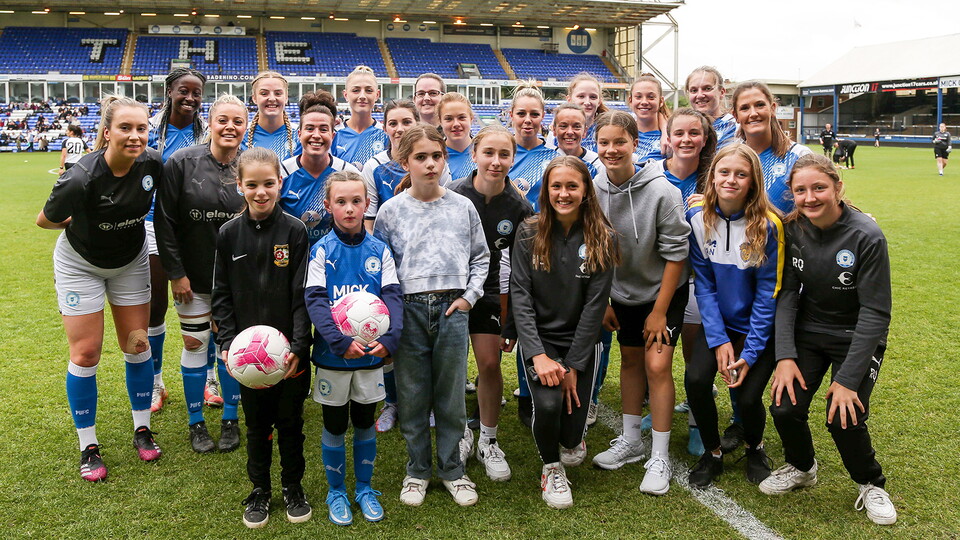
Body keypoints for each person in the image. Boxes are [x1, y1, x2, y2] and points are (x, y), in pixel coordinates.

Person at [761, 154, 897, 526]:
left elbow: (875, 313)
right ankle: (802, 467)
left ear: (838, 188)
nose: (810, 197)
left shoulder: (866, 236)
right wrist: (785, 356)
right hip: (810, 331)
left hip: (856, 334)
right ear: (791, 193)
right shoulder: (794, 229)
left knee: (843, 415)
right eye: (800, 190)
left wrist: (847, 380)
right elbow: (787, 294)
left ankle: (871, 483)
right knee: (785, 405)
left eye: (819, 187)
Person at [37, 95, 164, 481]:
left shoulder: (153, 164)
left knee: (138, 344)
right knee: (87, 352)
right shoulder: (80, 176)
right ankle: (88, 445)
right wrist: (86, 224)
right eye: (125, 128)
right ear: (107, 132)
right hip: (80, 265)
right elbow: (44, 220)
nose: (134, 136)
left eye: (141, 128)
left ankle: (142, 428)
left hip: (129, 262)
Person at [373, 125, 489, 507]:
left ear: (445, 159)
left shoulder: (462, 206)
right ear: (404, 161)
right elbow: (385, 268)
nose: (430, 164)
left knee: (451, 395)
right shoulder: (391, 211)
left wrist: (469, 298)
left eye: (436, 156)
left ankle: (453, 469)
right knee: (412, 393)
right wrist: (393, 313)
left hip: (453, 308)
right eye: (420, 157)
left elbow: (480, 256)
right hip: (408, 312)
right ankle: (418, 469)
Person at [211, 147, 313, 528]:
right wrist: (227, 344)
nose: (260, 192)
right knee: (256, 425)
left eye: (268, 183)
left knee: (290, 422)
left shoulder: (295, 230)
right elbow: (221, 294)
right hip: (248, 358)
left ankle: (293, 486)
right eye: (251, 184)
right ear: (239, 185)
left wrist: (300, 348)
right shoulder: (227, 234)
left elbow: (303, 295)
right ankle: (259, 490)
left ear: (279, 183)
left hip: (289, 355)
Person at [592, 110, 690, 496]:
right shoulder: (594, 186)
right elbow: (596, 249)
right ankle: (632, 440)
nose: (612, 150)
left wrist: (660, 311)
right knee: (630, 361)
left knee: (657, 364)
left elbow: (676, 256)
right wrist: (604, 299)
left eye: (620, 142)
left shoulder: (663, 191)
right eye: (604, 142)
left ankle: (660, 455)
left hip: (663, 292)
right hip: (621, 294)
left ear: (635, 144)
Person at [511, 156, 619, 508]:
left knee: (572, 433)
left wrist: (573, 365)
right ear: (546, 190)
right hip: (539, 342)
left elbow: (594, 308)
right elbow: (520, 296)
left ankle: (572, 439)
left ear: (586, 189)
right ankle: (551, 468)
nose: (564, 193)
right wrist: (539, 355)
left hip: (580, 343)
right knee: (547, 403)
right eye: (556, 186)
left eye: (572, 185)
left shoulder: (603, 236)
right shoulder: (528, 231)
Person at [304, 171, 403, 525]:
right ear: (328, 205)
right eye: (341, 202)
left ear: (367, 204)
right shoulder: (321, 251)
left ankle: (364, 488)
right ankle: (336, 491)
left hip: (370, 357)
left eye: (356, 201)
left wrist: (389, 341)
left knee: (364, 421)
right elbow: (315, 300)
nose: (349, 209)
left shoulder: (379, 250)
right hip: (334, 357)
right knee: (334, 424)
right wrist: (340, 341)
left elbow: (392, 297)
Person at [684, 144, 782, 488]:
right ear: (712, 177)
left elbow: (768, 296)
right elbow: (705, 286)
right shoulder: (697, 219)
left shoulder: (769, 226)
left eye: (741, 175)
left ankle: (756, 447)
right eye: (724, 172)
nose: (731, 180)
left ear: (754, 183)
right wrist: (719, 338)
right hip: (719, 325)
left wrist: (750, 352)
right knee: (696, 381)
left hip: (756, 328)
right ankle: (712, 454)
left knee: (748, 395)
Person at [155, 94, 248, 454]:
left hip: (237, 283)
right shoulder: (181, 162)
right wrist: (176, 274)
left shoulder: (250, 163)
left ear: (245, 125)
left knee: (230, 350)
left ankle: (229, 419)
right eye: (223, 119)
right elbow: (165, 223)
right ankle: (196, 423)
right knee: (195, 346)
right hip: (192, 279)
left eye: (237, 121)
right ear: (209, 121)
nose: (230, 127)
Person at [450, 124, 534, 481]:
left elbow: (522, 269)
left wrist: (511, 316)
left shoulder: (519, 206)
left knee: (488, 364)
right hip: (451, 294)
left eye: (504, 154)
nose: (496, 161)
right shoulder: (452, 194)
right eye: (489, 153)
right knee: (450, 369)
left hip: (489, 296)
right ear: (474, 154)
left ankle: (488, 439)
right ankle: (458, 435)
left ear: (513, 158)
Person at [146, 67, 209, 413]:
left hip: (198, 229)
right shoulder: (152, 130)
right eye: (184, 91)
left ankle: (211, 377)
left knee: (211, 302)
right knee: (156, 306)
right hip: (154, 224)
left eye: (197, 93)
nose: (190, 98)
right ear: (169, 91)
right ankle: (156, 381)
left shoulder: (206, 132)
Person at [657, 107, 718, 456]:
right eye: (678, 133)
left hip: (701, 281)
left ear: (705, 138)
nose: (686, 140)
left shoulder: (716, 178)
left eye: (694, 133)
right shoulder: (652, 175)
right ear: (668, 137)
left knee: (696, 357)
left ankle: (698, 421)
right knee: (660, 357)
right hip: (661, 280)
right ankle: (661, 410)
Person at [280, 90, 361, 246]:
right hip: (291, 260)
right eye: (310, 129)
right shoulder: (282, 173)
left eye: (323, 129)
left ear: (333, 135)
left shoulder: (348, 173)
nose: (316, 135)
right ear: (299, 134)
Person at [731, 81, 812, 214]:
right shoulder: (730, 158)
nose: (753, 113)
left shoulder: (799, 155)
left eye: (760, 105)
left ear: (773, 108)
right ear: (736, 116)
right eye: (745, 108)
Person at [508, 81, 560, 210]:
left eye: (534, 114)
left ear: (543, 116)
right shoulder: (501, 155)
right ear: (511, 115)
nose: (527, 120)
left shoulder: (556, 156)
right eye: (521, 114)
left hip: (544, 228)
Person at [333, 65, 390, 170]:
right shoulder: (334, 134)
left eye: (369, 90)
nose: (362, 96)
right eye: (356, 90)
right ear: (346, 95)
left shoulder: (386, 134)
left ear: (377, 95)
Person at [245, 71, 301, 161]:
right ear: (254, 98)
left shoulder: (300, 136)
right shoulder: (241, 135)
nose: (271, 98)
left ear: (286, 97)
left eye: (278, 93)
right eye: (264, 93)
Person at [547, 73, 609, 153]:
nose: (587, 102)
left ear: (599, 101)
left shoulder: (605, 131)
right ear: (569, 99)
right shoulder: (555, 134)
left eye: (593, 97)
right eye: (581, 96)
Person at [685, 66, 737, 149]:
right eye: (694, 90)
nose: (700, 95)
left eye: (707, 88)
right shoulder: (682, 128)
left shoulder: (735, 126)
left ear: (722, 92)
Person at [549, 102, 602, 177]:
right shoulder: (544, 160)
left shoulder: (597, 164)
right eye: (563, 126)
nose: (570, 132)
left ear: (584, 131)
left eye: (576, 126)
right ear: (554, 130)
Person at [628, 73, 668, 163]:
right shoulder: (623, 133)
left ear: (661, 101)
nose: (644, 102)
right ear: (630, 100)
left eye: (651, 97)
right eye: (638, 97)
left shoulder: (669, 139)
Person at [438, 92, 477, 180]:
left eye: (461, 117)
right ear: (440, 121)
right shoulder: (435, 156)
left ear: (471, 119)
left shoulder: (484, 153)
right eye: (449, 119)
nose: (456, 124)